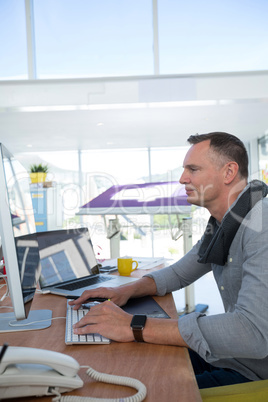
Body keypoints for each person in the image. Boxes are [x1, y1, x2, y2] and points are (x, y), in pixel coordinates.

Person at [69, 132, 268, 389]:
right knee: (136, 366)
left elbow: (251, 332)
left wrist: (133, 325)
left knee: (148, 388)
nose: (182, 178)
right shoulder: (226, 224)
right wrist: (123, 291)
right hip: (231, 357)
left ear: (229, 172)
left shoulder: (260, 225)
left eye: (193, 169)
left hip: (254, 372)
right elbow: (178, 274)